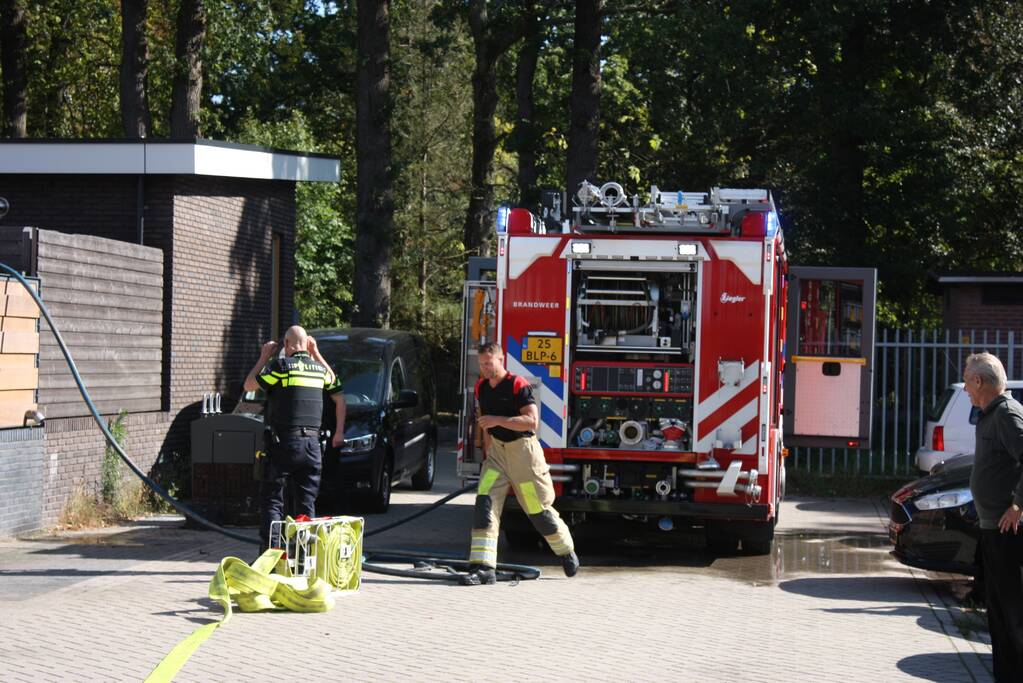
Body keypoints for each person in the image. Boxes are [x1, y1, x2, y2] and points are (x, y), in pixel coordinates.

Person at [465, 342, 579, 585]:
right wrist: (487, 452)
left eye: (489, 363)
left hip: (523, 456)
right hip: (496, 454)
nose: (485, 368)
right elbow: (485, 425)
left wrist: (498, 419)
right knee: (484, 502)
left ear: (501, 359)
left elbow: (531, 422)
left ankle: (566, 551)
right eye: (482, 364)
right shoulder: (481, 387)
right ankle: (483, 567)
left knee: (537, 509)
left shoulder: (518, 385)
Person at [244, 325, 346, 552]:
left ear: (288, 345)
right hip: (312, 447)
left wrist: (263, 358)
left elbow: (249, 386)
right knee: (305, 505)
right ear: (307, 345)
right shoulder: (319, 371)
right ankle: (303, 560)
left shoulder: (281, 366)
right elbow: (337, 387)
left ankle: (272, 558)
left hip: (284, 444)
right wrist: (317, 353)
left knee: (273, 500)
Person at [963, 352, 1023, 680]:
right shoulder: (990, 414)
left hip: (1009, 533)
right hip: (991, 531)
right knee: (998, 615)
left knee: (1013, 614)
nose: (965, 390)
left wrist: (1018, 505)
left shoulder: (1008, 415)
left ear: (979, 381)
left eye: (967, 382)